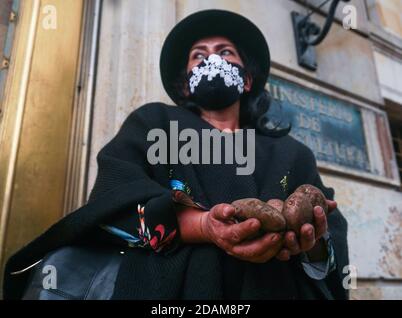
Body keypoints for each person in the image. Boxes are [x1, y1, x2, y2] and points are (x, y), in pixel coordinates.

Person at [3, 9, 349, 300]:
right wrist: (203, 225)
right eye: (199, 55)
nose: (212, 58)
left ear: (246, 80)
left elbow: (330, 234)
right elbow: (113, 194)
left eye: (225, 52)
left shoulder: (292, 152)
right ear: (186, 82)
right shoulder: (154, 123)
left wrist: (309, 240)